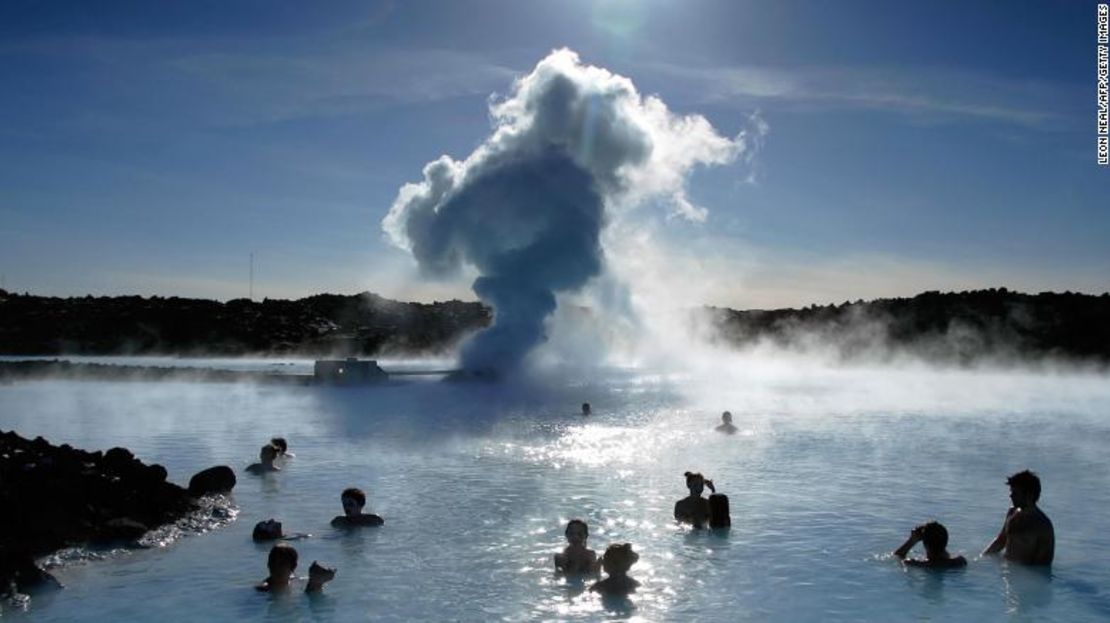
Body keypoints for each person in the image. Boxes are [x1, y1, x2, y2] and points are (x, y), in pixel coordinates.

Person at [983, 470, 1054, 565]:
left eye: (1015, 492)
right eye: (1011, 492)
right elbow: (1000, 541)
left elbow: (1044, 562)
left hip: (1025, 575)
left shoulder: (1042, 525)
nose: (1010, 495)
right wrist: (982, 558)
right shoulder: (1012, 512)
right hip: (1006, 571)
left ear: (1029, 495)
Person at [893, 521, 967, 568]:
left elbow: (898, 556)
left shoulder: (919, 564)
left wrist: (912, 540)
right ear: (946, 540)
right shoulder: (960, 561)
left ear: (926, 545)